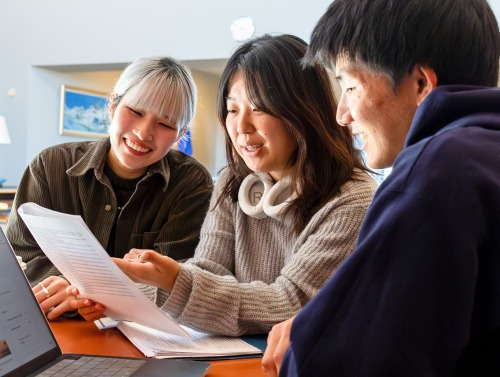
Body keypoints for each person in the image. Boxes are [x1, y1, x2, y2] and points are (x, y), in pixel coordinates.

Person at [68, 34, 378, 336]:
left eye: (259, 108)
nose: (241, 127)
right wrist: (113, 293)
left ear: (304, 110)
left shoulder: (353, 201)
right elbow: (210, 270)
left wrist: (172, 282)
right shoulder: (234, 181)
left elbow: (291, 304)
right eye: (232, 110)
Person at [262, 0, 500, 376]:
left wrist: (312, 336)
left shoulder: (435, 174)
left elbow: (352, 363)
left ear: (421, 84)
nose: (342, 114)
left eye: (350, 85)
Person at [6, 57, 214, 320]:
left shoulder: (191, 184)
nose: (143, 132)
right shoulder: (50, 166)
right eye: (136, 112)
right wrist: (67, 285)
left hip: (144, 334)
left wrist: (86, 289)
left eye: (165, 124)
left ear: (180, 133)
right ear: (113, 105)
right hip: (55, 324)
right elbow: (22, 254)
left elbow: (176, 275)